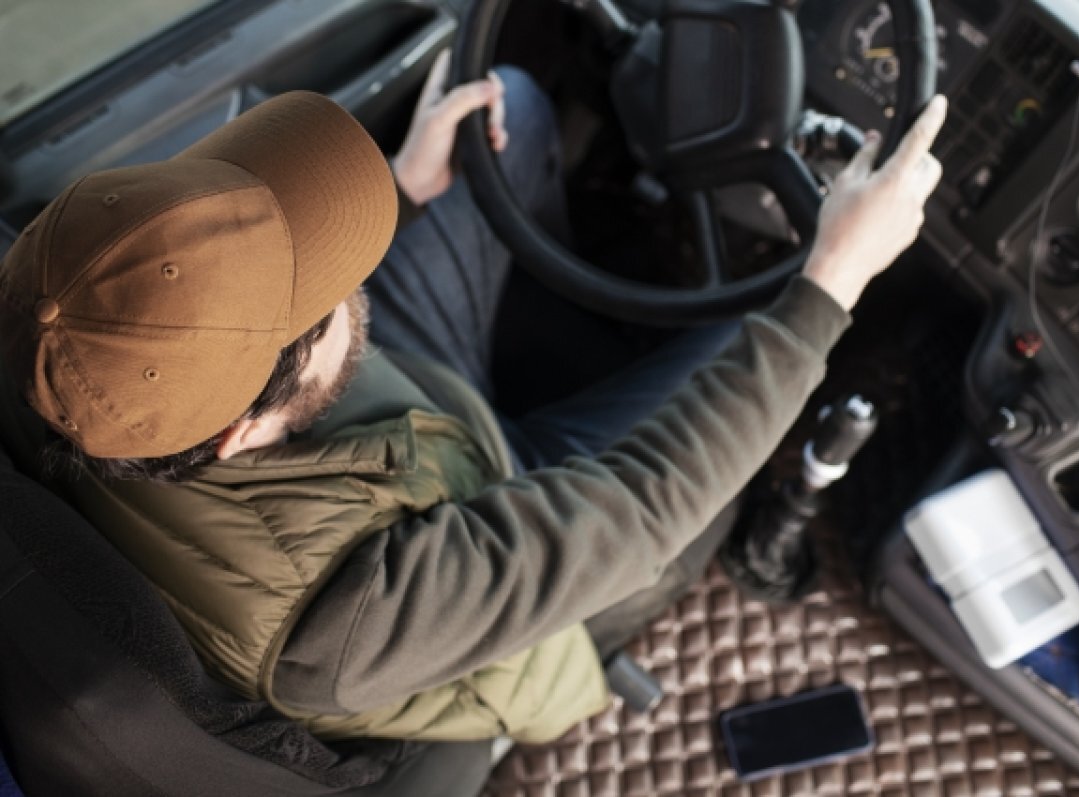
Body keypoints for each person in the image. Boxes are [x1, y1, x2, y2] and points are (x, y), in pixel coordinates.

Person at [0, 50, 945, 790]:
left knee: (512, 115)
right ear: (242, 431)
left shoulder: (52, 321)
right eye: (325, 289)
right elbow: (641, 502)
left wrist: (401, 194)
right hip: (499, 542)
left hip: (402, 434)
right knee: (752, 360)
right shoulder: (334, 625)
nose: (347, 276)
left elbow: (258, 340)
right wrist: (832, 279)